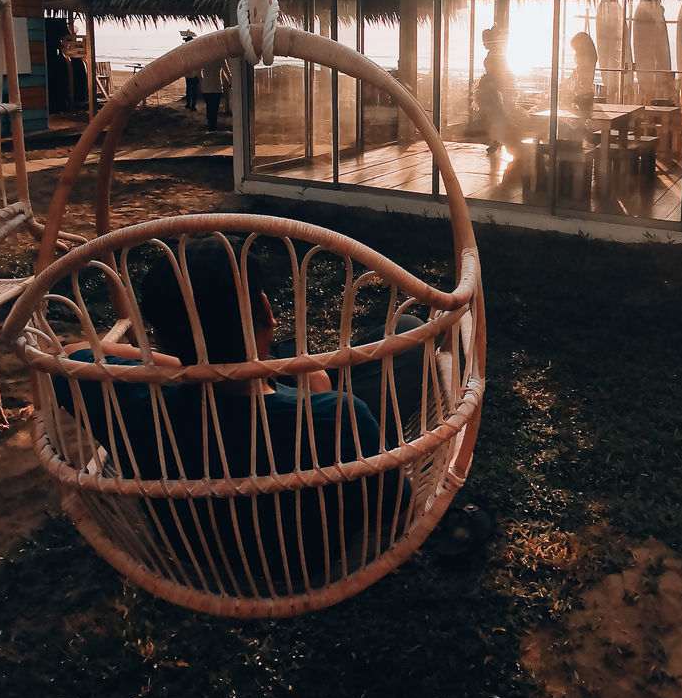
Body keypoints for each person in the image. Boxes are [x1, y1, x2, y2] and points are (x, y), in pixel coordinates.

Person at [56, 239, 423, 579]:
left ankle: (267, 371)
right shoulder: (340, 416)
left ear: (161, 338)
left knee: (298, 366)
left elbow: (72, 356)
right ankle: (284, 371)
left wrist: (185, 367)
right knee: (406, 328)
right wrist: (315, 380)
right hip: (311, 555)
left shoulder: (135, 408)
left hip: (194, 552)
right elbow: (396, 511)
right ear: (265, 309)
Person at [199, 57, 230, 131]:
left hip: (206, 87)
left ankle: (210, 126)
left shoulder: (203, 58)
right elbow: (226, 72)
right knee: (215, 108)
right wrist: (231, 82)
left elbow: (198, 72)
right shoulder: (220, 58)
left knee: (209, 107)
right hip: (216, 87)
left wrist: (202, 82)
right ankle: (213, 126)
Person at [180, 31, 199, 109]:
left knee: (189, 89)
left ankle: (189, 104)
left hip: (189, 73)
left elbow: (183, 62)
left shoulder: (185, 51)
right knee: (194, 90)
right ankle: (192, 105)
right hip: (194, 73)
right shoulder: (195, 51)